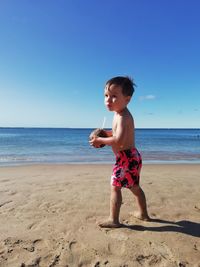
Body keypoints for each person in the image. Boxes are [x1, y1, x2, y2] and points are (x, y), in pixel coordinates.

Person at [89, 76, 149, 228]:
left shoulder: (123, 117)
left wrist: (100, 141)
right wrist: (105, 134)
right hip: (132, 157)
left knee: (115, 187)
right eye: (106, 96)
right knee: (134, 187)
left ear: (127, 99)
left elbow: (119, 141)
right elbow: (117, 134)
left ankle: (113, 220)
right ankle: (143, 214)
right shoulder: (118, 113)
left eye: (114, 96)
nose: (108, 100)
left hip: (125, 158)